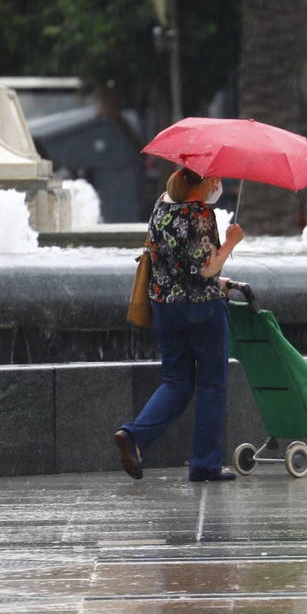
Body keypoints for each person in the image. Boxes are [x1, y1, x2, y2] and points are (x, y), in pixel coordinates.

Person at [114, 167, 245, 482]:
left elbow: (174, 260)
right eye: (216, 178)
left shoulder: (161, 205)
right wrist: (231, 242)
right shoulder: (199, 214)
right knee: (211, 385)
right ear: (205, 183)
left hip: (166, 307)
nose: (219, 184)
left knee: (175, 382)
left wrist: (220, 281)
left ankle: (134, 436)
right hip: (203, 311)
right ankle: (205, 464)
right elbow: (204, 269)